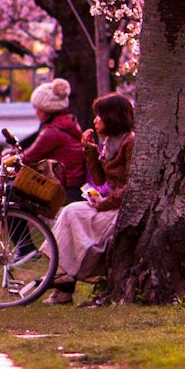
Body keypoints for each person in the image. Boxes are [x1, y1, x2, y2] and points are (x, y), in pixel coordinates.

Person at [46, 92, 136, 303]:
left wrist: (105, 203)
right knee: (69, 211)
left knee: (77, 218)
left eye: (100, 116)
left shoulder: (130, 143)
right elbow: (100, 179)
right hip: (110, 203)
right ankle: (62, 280)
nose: (95, 121)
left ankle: (64, 281)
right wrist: (90, 151)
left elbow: (133, 186)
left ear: (113, 117)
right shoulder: (110, 142)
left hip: (122, 207)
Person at [20, 78, 86, 195]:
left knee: (15, 190)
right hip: (74, 181)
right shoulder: (68, 122)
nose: (35, 113)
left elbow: (27, 157)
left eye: (37, 108)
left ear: (45, 110)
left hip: (64, 187)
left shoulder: (52, 132)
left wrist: (5, 159)